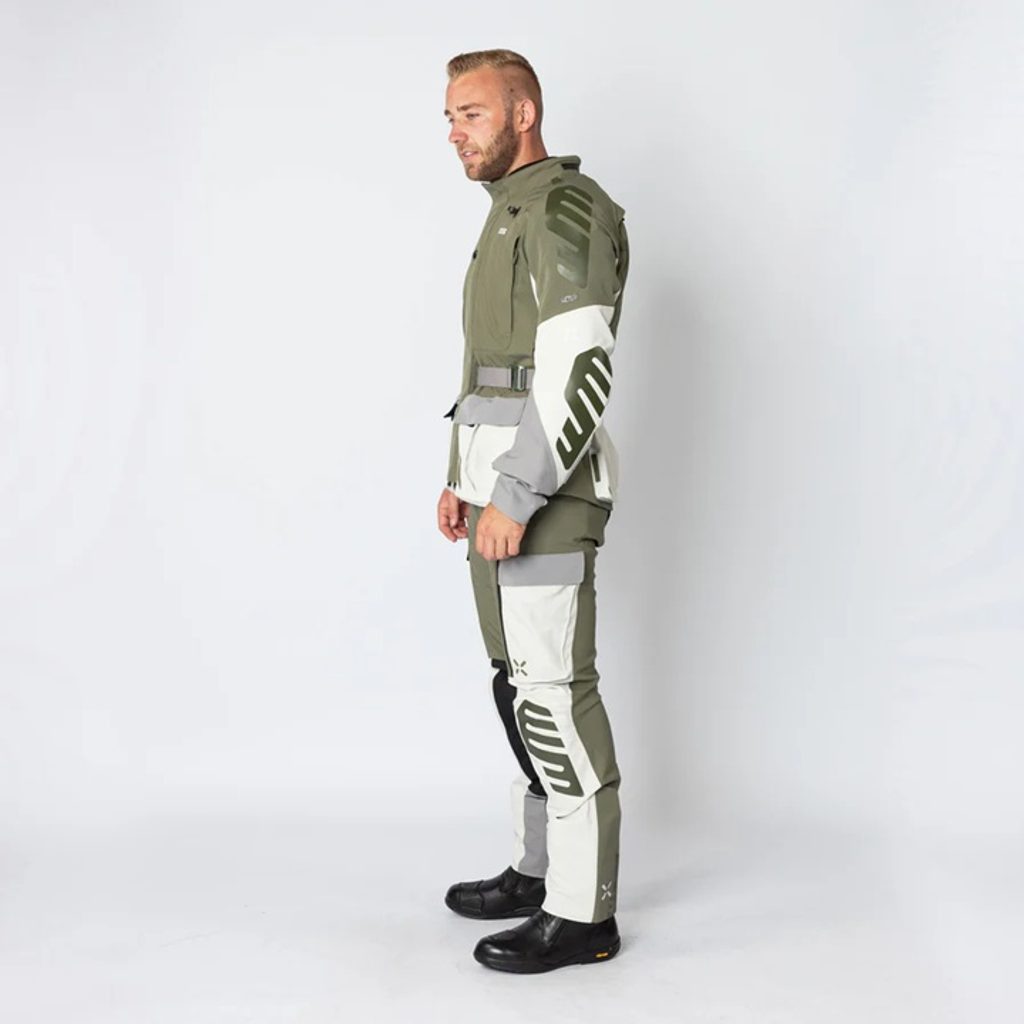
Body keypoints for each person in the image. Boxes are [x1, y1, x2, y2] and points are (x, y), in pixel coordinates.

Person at [437, 49, 630, 974]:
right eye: (449, 117)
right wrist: (461, 480)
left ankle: (585, 914)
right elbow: (493, 373)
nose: (454, 133)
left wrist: (513, 493)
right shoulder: (505, 212)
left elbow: (578, 365)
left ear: (523, 113)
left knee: (553, 696)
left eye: (470, 113)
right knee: (515, 688)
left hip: (546, 497)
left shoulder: (565, 208)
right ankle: (541, 870)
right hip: (495, 496)